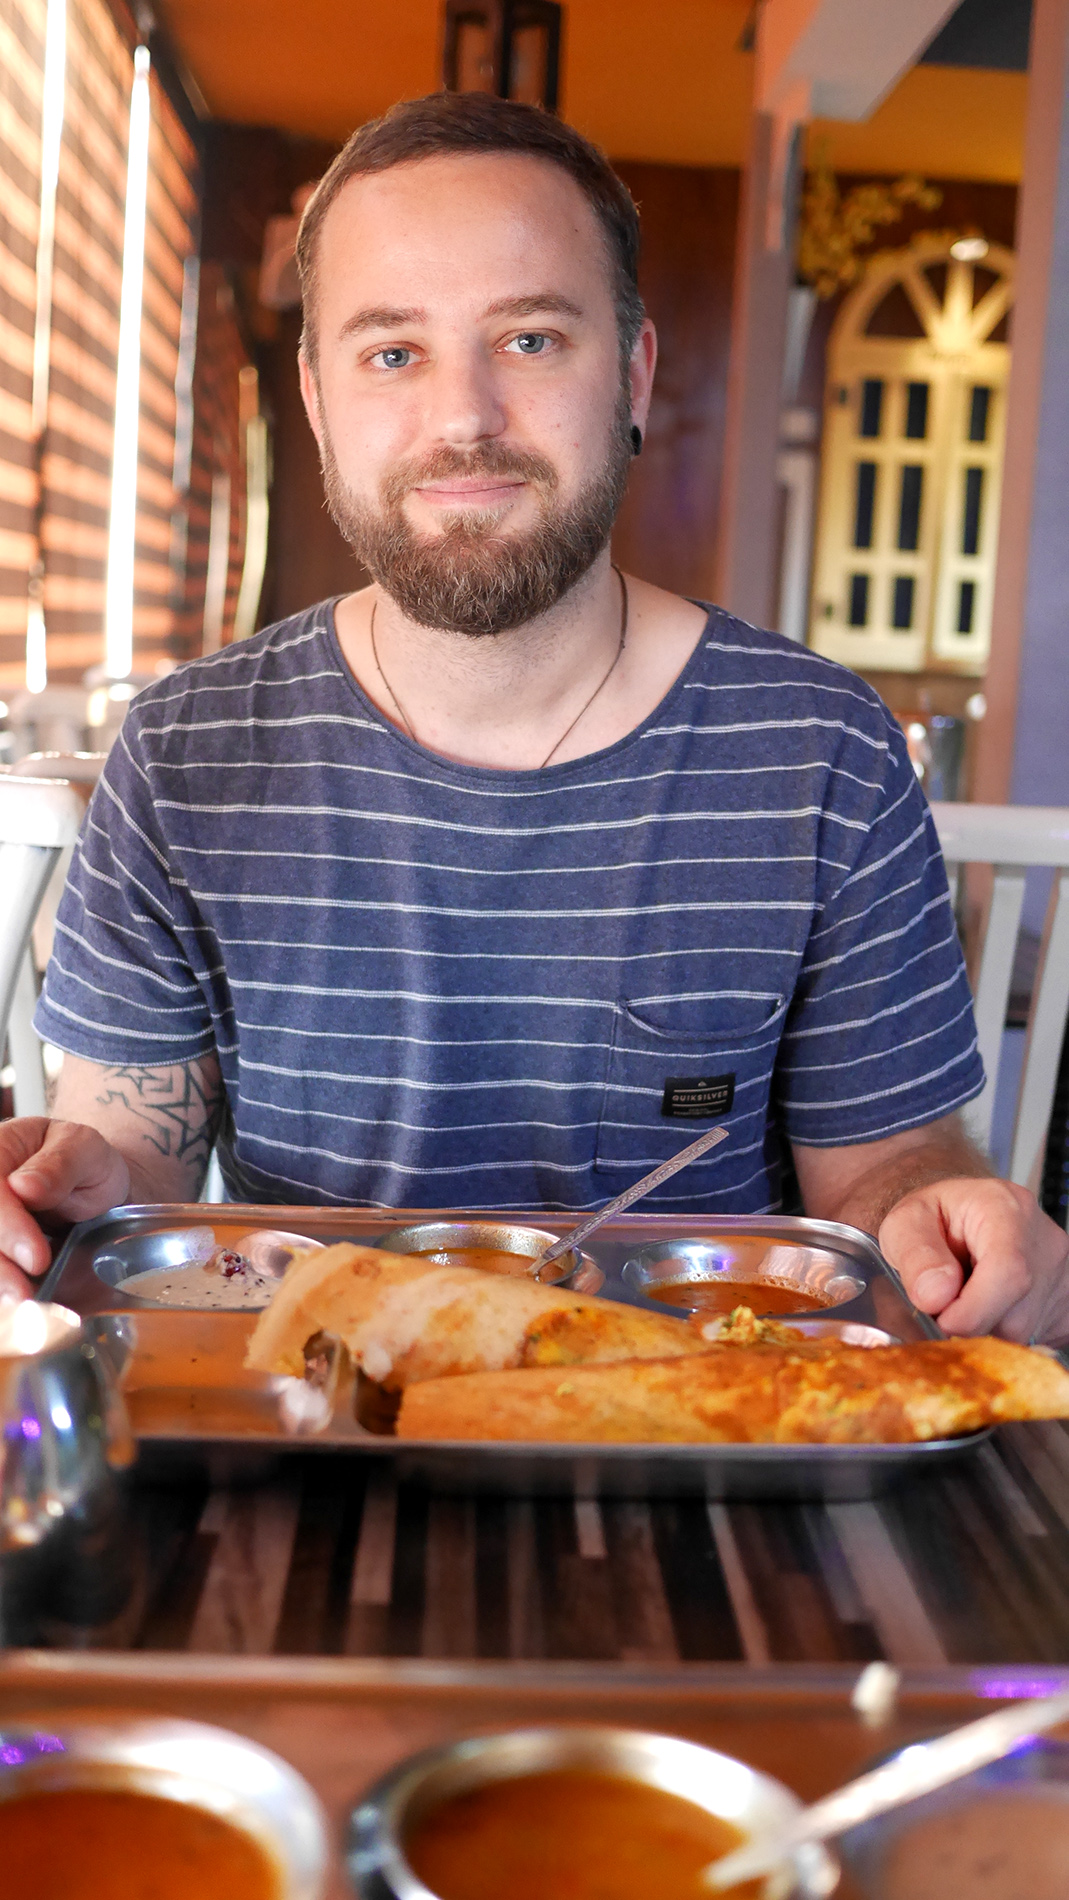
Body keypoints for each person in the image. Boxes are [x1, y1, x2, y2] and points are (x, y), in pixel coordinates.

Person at [3, 93, 1067, 1342]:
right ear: (317, 396)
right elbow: (138, 1156)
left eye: (530, 340)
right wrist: (67, 1200)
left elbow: (883, 1173)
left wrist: (940, 1221)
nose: (462, 417)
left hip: (705, 1440)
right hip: (305, 1432)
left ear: (633, 371)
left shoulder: (821, 749)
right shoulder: (184, 755)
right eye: (391, 352)